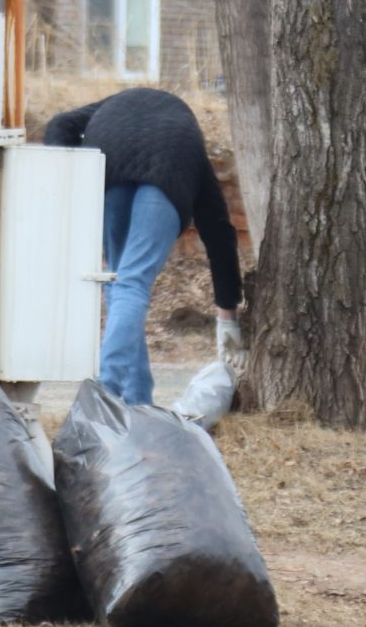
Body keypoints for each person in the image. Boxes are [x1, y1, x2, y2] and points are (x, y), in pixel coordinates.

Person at [40, 88, 243, 406]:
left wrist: (74, 189)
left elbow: (60, 125)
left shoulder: (112, 103)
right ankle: (105, 397)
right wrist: (227, 316)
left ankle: (137, 403)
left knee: (118, 284)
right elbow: (220, 234)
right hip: (168, 164)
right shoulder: (188, 144)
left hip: (108, 159)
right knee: (130, 284)